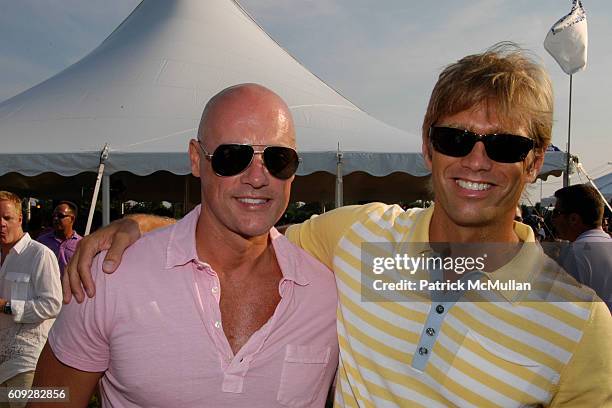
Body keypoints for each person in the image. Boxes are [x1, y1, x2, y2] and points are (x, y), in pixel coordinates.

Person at [63, 44, 612, 407]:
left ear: (537, 160)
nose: (476, 160)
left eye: (506, 145)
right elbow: (245, 235)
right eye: (455, 138)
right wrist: (137, 224)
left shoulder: (582, 323)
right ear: (427, 146)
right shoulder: (357, 239)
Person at [31, 84, 339, 407]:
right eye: (232, 157)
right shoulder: (109, 275)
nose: (258, 177)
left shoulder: (330, 291)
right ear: (196, 159)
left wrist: (143, 221)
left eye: (278, 159)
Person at [0, 191, 61, 408]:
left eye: (6, 218)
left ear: (19, 219)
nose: (1, 224)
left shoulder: (40, 254)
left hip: (26, 363)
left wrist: (6, 306)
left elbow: (53, 304)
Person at [552, 184, 612, 311]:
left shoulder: (575, 252)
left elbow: (565, 308)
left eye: (556, 213)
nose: (553, 220)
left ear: (574, 219)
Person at [37, 201, 82, 279]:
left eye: (60, 216)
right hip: (47, 288)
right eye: (54, 216)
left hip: (70, 289)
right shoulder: (42, 242)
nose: (55, 219)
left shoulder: (81, 244)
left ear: (72, 219)